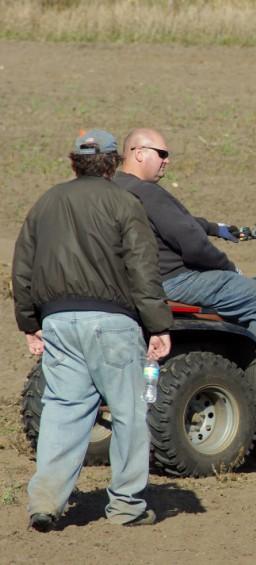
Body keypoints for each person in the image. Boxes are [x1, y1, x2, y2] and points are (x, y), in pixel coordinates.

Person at [12, 129, 173, 531]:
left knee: (63, 412)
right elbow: (142, 269)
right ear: (113, 161)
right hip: (112, 324)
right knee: (129, 414)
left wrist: (30, 323)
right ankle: (126, 507)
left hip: (58, 323)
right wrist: (158, 325)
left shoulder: (46, 202)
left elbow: (23, 268)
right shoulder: (124, 201)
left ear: (74, 161)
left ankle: (45, 503)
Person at [112, 128, 256, 409]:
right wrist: (228, 267)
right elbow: (191, 243)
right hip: (173, 280)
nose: (167, 160)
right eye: (162, 154)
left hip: (128, 285)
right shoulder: (149, 192)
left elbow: (177, 220)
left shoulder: (114, 189)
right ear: (139, 153)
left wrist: (216, 229)